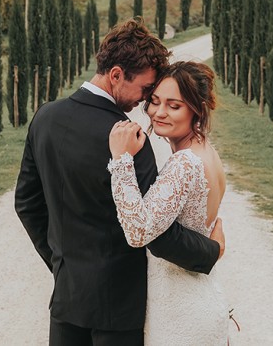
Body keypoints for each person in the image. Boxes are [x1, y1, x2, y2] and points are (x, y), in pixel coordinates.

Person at [16, 18, 224, 346]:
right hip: (119, 310)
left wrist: (62, 266)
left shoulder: (45, 118)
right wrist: (210, 251)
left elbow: (27, 204)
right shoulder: (130, 139)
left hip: (67, 301)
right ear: (116, 75)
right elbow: (156, 233)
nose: (144, 101)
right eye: (145, 89)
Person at [108, 61, 228, 345]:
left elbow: (138, 232)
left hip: (181, 314)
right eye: (155, 101)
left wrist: (121, 159)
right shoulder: (206, 151)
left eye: (174, 106)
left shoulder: (185, 163)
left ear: (197, 109)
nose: (159, 112)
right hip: (199, 296)